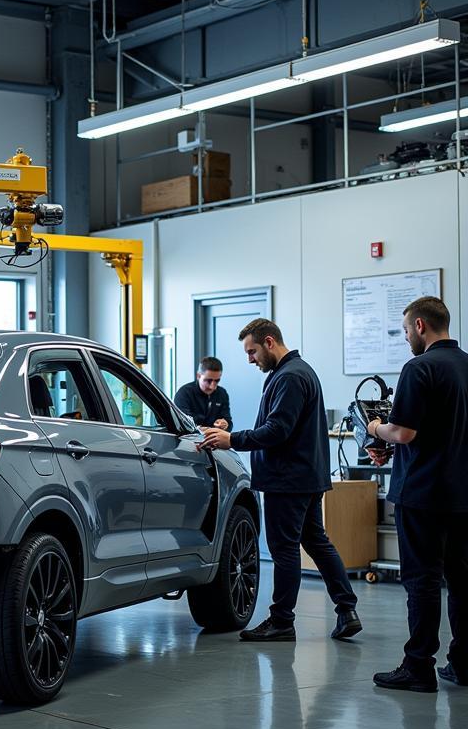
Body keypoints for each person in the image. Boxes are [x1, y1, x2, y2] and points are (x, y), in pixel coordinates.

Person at [199, 318, 361, 642]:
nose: (250, 359)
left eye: (252, 351)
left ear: (269, 342)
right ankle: (347, 609)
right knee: (316, 541)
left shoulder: (289, 377)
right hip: (306, 477)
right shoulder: (297, 372)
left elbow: (277, 431)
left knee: (284, 549)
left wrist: (231, 439)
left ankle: (282, 621)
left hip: (287, 481)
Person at [364, 296, 468, 692]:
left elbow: (405, 431)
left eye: (406, 330)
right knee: (462, 580)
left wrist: (376, 429)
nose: (406, 336)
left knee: (422, 580)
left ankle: (418, 665)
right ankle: (463, 662)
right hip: (463, 494)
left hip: (423, 495)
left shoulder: (419, 367)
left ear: (420, 326)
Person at [174, 356, 233, 429]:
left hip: (215, 438)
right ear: (198, 376)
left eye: (217, 381)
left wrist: (225, 424)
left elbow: (228, 421)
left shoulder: (222, 393)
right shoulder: (184, 393)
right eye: (208, 381)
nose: (212, 386)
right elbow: (184, 422)